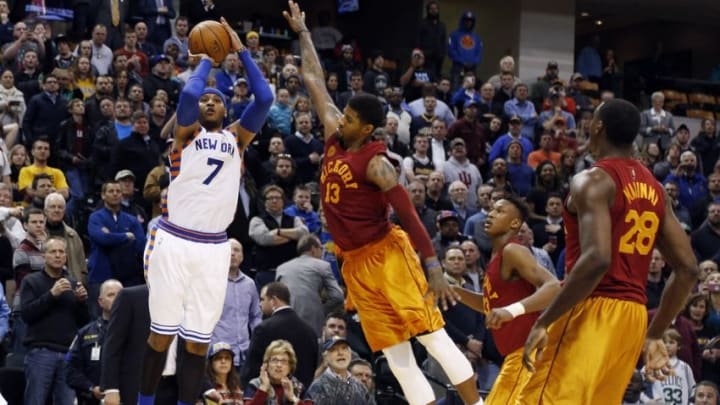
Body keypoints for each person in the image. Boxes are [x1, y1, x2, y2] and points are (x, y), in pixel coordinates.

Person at [284, 3, 482, 405]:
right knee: (396, 355)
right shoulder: (334, 133)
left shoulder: (377, 165)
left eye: (352, 119)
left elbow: (410, 217)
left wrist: (435, 269)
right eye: (345, 115)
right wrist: (304, 32)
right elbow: (313, 78)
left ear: (368, 129)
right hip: (354, 263)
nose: (343, 121)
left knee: (432, 338)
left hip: (388, 255)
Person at [519, 99, 699, 404]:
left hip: (591, 306)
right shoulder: (655, 188)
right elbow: (689, 269)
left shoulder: (592, 179)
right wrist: (654, 334)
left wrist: (544, 321)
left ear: (598, 127)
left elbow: (597, 259)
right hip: (633, 316)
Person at [138, 17, 273, 405]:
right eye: (205, 100)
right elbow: (187, 95)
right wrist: (209, 58)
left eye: (216, 99)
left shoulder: (237, 138)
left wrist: (241, 51)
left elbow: (264, 99)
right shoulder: (185, 135)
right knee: (161, 335)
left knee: (198, 344)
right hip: (174, 240)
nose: (209, 101)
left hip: (215, 248)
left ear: (227, 107)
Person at [452, 197, 559, 405]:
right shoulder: (496, 256)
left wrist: (511, 311)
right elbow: (490, 306)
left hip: (526, 352)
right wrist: (455, 291)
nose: (491, 213)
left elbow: (553, 286)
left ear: (515, 224)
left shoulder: (513, 250)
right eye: (491, 209)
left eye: (499, 211)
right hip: (514, 355)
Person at [21, 236, 90, 405]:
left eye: (61, 252)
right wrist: (52, 295)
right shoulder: (31, 281)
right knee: (35, 401)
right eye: (53, 252)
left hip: (68, 353)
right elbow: (27, 314)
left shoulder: (73, 283)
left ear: (66, 257)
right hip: (41, 351)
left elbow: (83, 322)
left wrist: (82, 303)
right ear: (44, 256)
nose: (58, 255)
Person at [66, 279, 123, 405]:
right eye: (110, 295)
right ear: (100, 302)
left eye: (120, 295)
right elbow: (70, 370)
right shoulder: (85, 333)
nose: (116, 299)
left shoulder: (136, 330)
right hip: (92, 399)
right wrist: (91, 388)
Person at [643, 328, 695, 405]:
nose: (667, 345)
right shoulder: (652, 365)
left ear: (679, 346)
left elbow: (693, 389)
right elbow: (638, 386)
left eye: (671, 342)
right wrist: (647, 400)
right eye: (664, 342)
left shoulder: (685, 367)